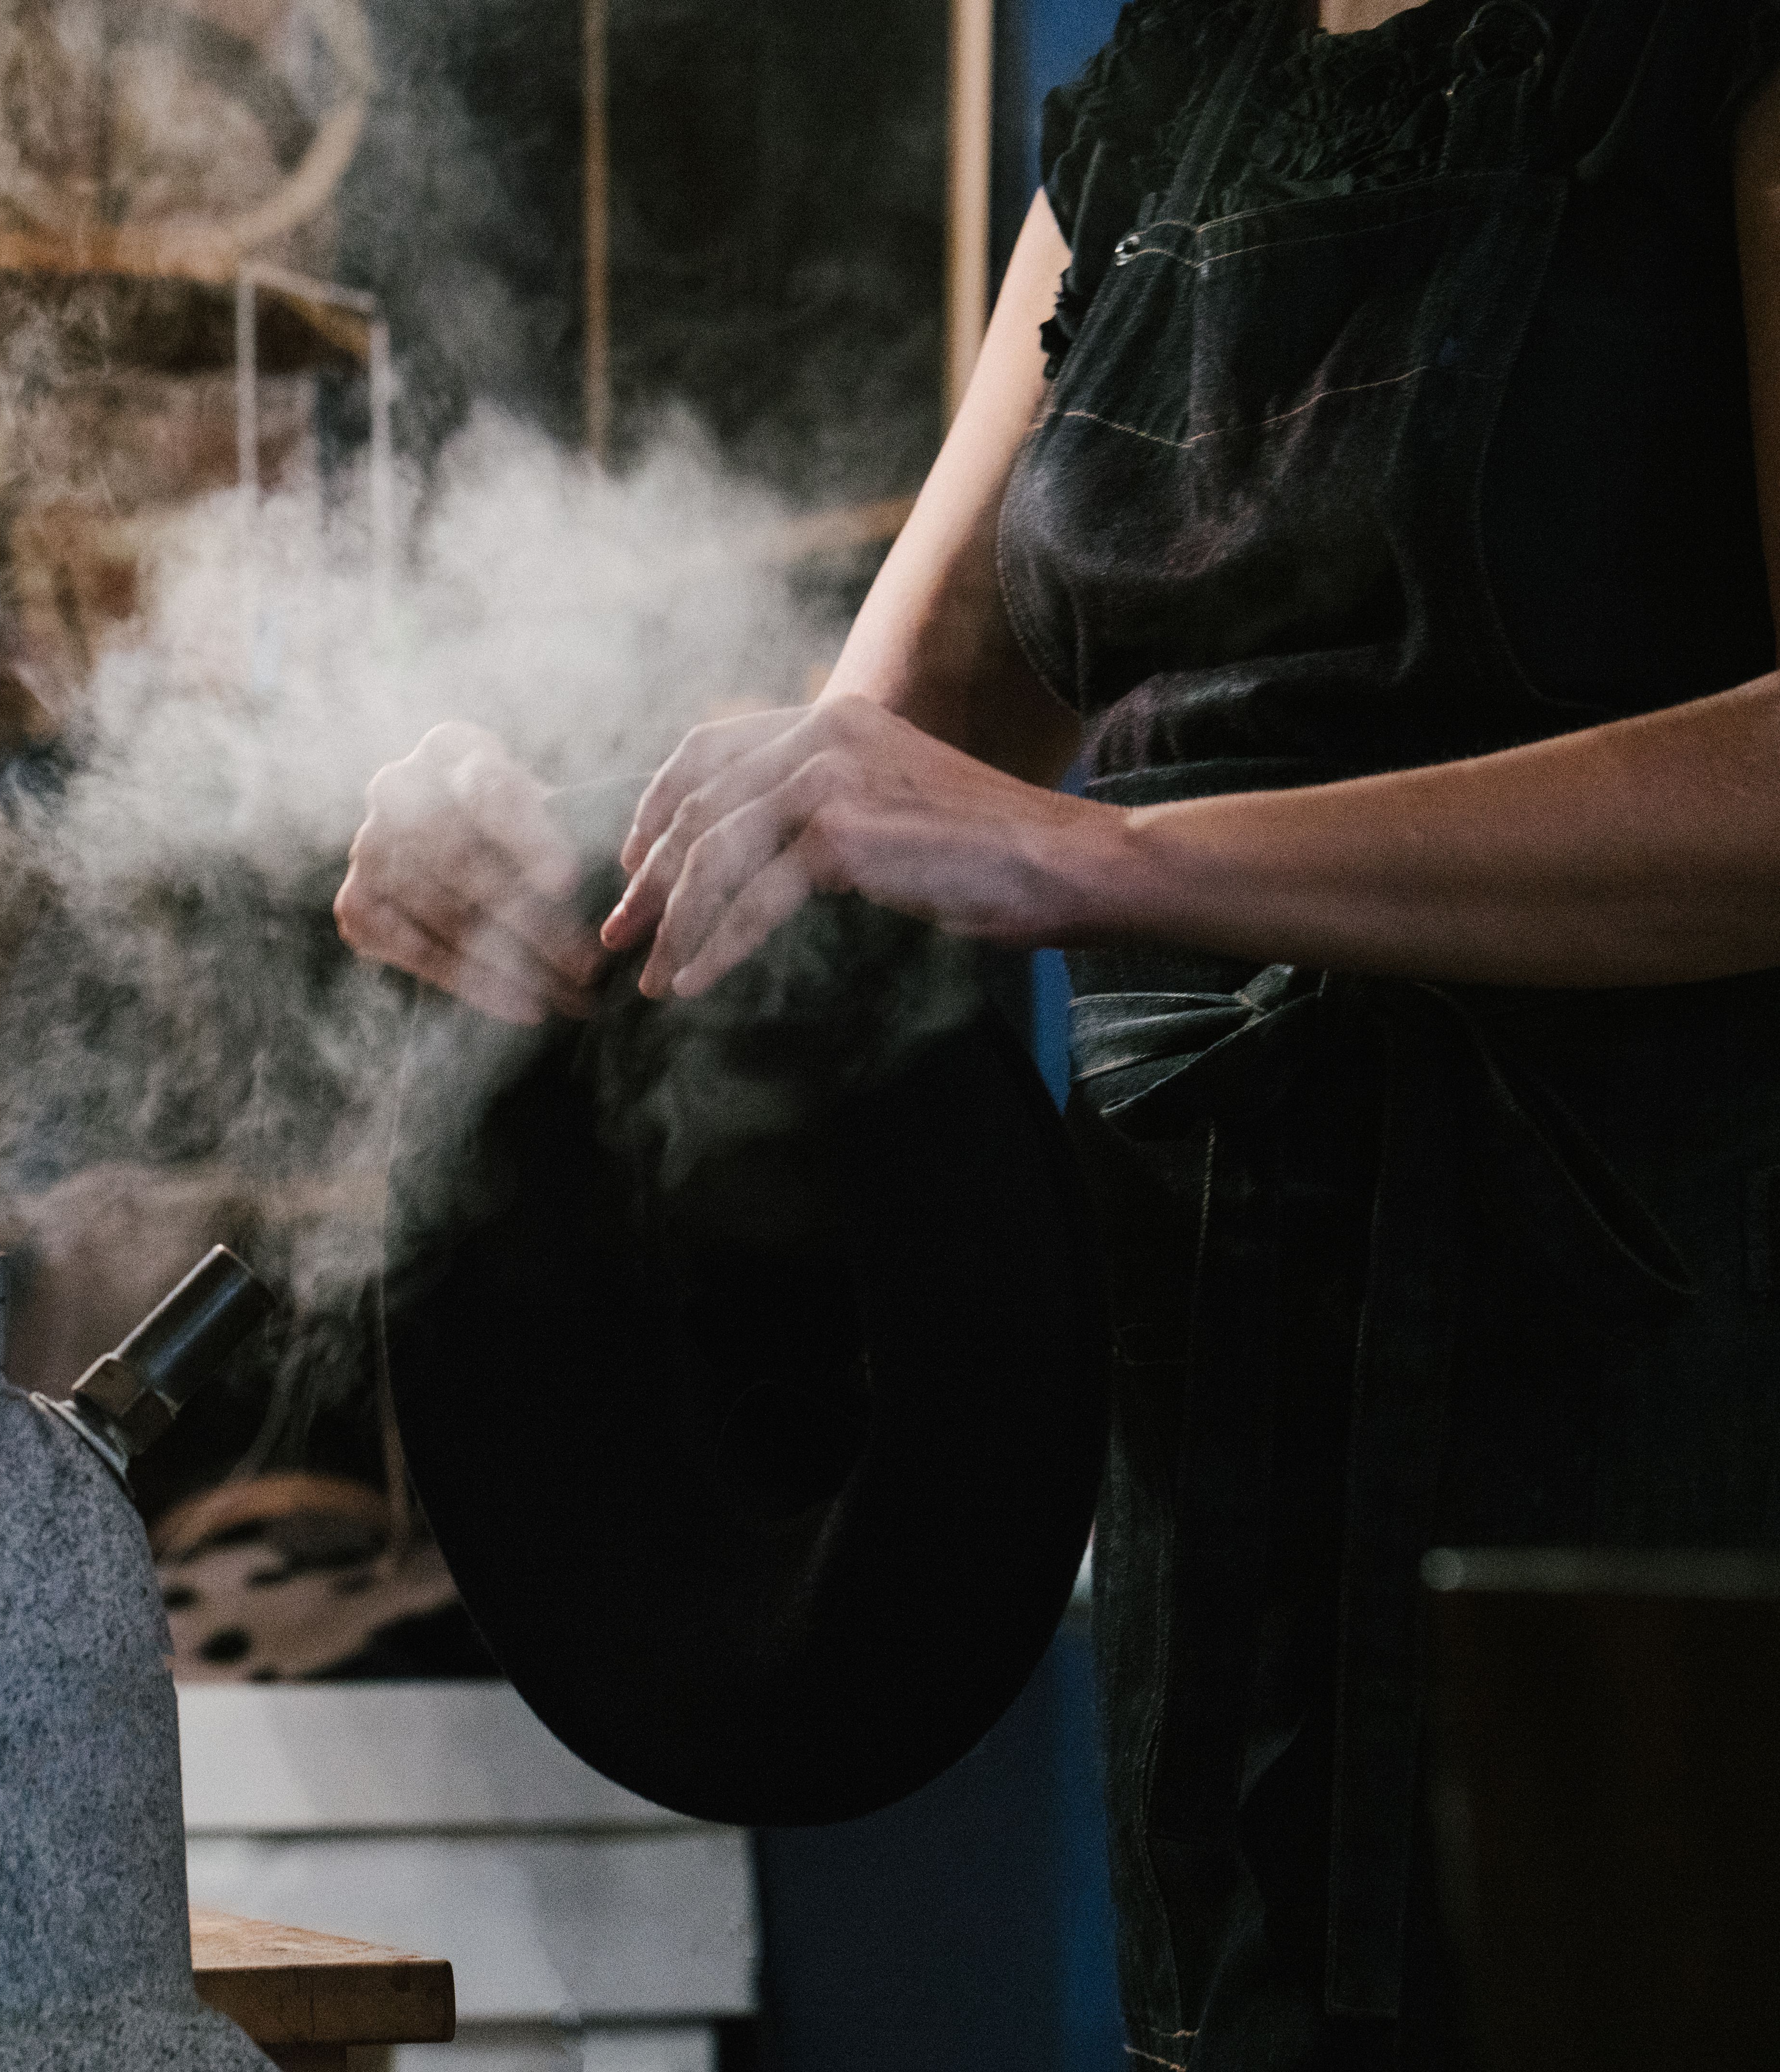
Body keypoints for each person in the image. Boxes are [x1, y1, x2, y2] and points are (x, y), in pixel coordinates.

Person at [332, 1, 1780, 2065]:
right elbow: (871, 767)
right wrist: (553, 841)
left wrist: (1116, 864)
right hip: (1225, 1367)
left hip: (1659, 1374)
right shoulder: (1176, 105)